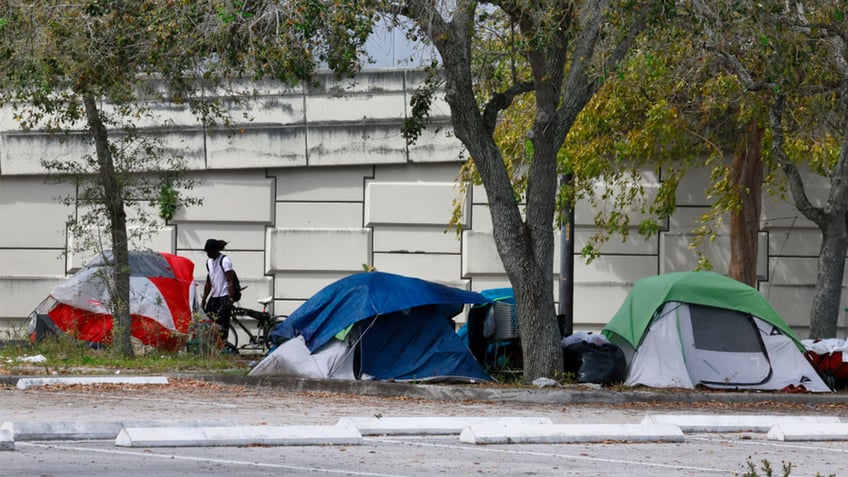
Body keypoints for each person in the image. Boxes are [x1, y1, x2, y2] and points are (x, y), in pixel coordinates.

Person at [202, 238, 236, 347]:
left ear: (215, 250)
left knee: (222, 325)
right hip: (214, 296)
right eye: (206, 252)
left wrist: (230, 299)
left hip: (224, 295)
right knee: (207, 322)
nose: (208, 254)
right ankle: (211, 346)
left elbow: (230, 280)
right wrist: (204, 299)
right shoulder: (208, 262)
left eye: (209, 251)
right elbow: (209, 281)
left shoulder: (225, 260)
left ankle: (222, 346)